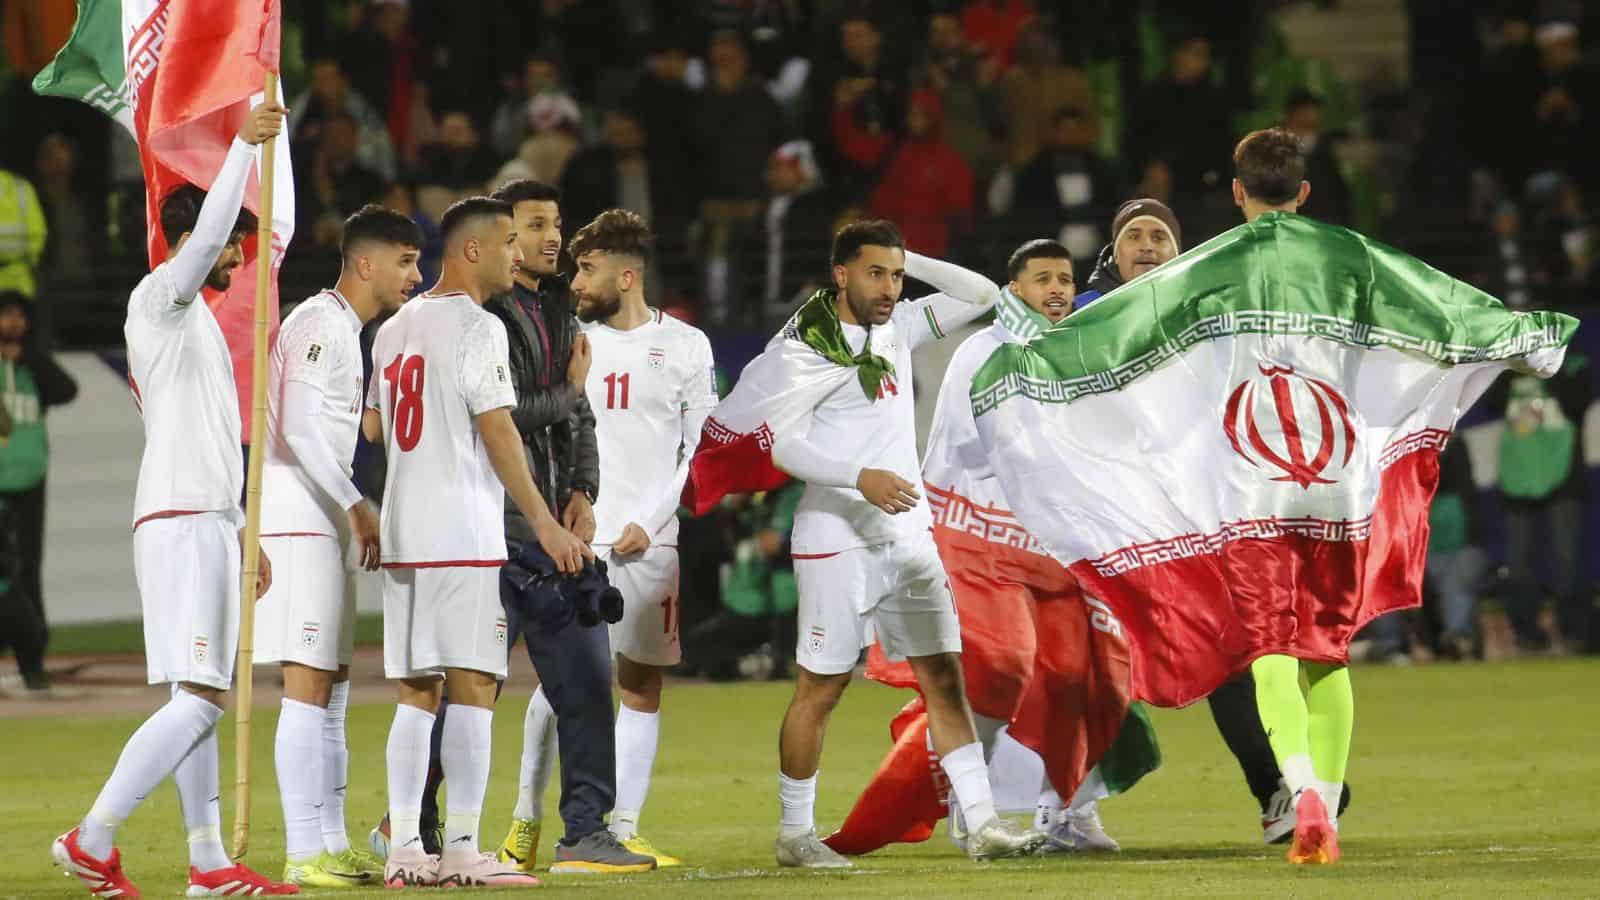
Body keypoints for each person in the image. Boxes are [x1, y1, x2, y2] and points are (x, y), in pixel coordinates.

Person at [969, 126, 1575, 867]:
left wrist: (1026, 349)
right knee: (1326, 651)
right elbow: (1435, 302)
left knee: (1268, 651)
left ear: (1236, 192)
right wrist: (1524, 335)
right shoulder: (1351, 256)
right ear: (1306, 192)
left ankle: (1300, 791)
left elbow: (1109, 338)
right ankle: (1314, 791)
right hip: (1338, 481)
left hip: (1253, 482)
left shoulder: (1210, 268)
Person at [683, 219, 1045, 865]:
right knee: (820, 690)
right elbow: (782, 442)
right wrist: (860, 478)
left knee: (944, 678)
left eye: (897, 274)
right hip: (837, 535)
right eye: (875, 272)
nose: (889, 286)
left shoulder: (898, 327)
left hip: (907, 531)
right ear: (839, 272)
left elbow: (983, 292)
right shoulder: (806, 346)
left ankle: (984, 825)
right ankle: (796, 835)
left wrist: (912, 257)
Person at [822, 239, 1159, 859]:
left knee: (1091, 678)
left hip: (1060, 545)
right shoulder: (982, 350)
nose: (1057, 290)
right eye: (1041, 280)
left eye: (1064, 279)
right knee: (1001, 668)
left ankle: (1067, 814)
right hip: (982, 538)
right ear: (1016, 289)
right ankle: (964, 801)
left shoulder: (1086, 352)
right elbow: (967, 447)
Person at [50, 100, 296, 898]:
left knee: (198, 700)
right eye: (234, 247)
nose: (240, 261)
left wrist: (239, 531)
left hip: (201, 518)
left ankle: (209, 862)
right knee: (201, 702)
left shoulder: (190, 329)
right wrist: (243, 154)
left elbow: (217, 446)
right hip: (182, 519)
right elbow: (202, 235)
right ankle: (91, 838)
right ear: (197, 243)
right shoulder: (160, 297)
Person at [363, 196, 589, 889]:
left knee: (413, 692)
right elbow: (499, 431)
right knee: (474, 686)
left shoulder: (393, 328)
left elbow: (373, 430)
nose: (516, 256)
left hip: (404, 532)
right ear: (472, 251)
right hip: (461, 531)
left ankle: (405, 848)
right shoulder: (478, 327)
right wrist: (545, 522)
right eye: (506, 245)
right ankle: (460, 850)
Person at [511, 209, 718, 867]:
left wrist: (652, 522)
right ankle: (524, 823)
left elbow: (700, 450)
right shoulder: (569, 340)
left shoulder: (687, 345)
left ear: (626, 275)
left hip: (651, 541)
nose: (576, 280)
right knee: (561, 686)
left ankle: (620, 826)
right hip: (580, 540)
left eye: (589, 268)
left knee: (641, 685)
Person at [480, 182, 654, 876]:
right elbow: (504, 413)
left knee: (586, 684)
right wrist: (572, 393)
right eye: (536, 225)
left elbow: (579, 423)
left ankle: (585, 832)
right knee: (468, 695)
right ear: (504, 237)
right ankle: (410, 825)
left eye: (557, 222)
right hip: (493, 530)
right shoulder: (485, 315)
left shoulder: (559, 311)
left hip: (557, 533)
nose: (555, 237)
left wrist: (583, 489)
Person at [255, 206, 423, 888]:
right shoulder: (319, 324)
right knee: (306, 688)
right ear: (365, 264)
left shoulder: (348, 332)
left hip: (322, 521)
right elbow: (295, 426)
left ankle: (330, 840)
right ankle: (301, 850)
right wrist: (357, 502)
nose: (415, 274)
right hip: (298, 519)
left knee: (333, 691)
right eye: (405, 261)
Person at [0, 290, 77, 697]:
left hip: (30, 484)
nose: (12, 322)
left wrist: (28, 357)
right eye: (4, 314)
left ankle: (33, 658)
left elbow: (68, 389)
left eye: (18, 315)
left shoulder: (34, 370)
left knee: (28, 571)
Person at [1073, 197, 1181, 308]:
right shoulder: (1078, 314)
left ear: (1176, 253)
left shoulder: (1196, 307)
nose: (1146, 247)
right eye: (1134, 237)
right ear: (1116, 254)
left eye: (1158, 238)